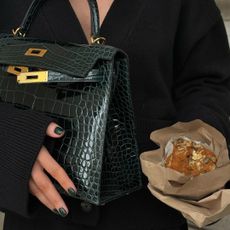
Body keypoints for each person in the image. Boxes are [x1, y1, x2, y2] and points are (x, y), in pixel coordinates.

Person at [0, 0, 230, 229]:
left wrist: (196, 142)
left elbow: (207, 81)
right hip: (38, 217)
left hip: (147, 210)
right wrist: (12, 136)